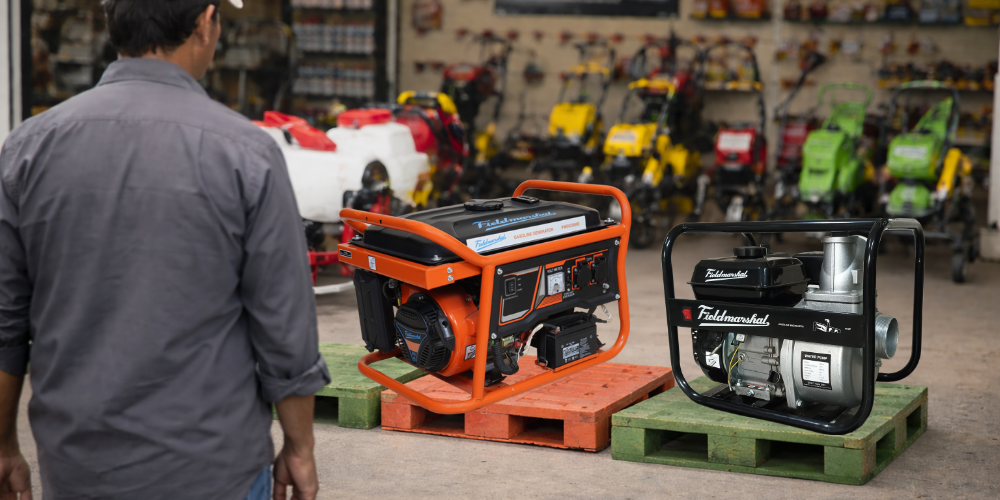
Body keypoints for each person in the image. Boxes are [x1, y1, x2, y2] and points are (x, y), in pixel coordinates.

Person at [0, 0, 330, 498]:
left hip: (78, 469)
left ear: (113, 23)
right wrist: (300, 446)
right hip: (214, 468)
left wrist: (4, 447)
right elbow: (284, 325)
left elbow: (6, 322)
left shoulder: (28, 147)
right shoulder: (247, 153)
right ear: (204, 23)